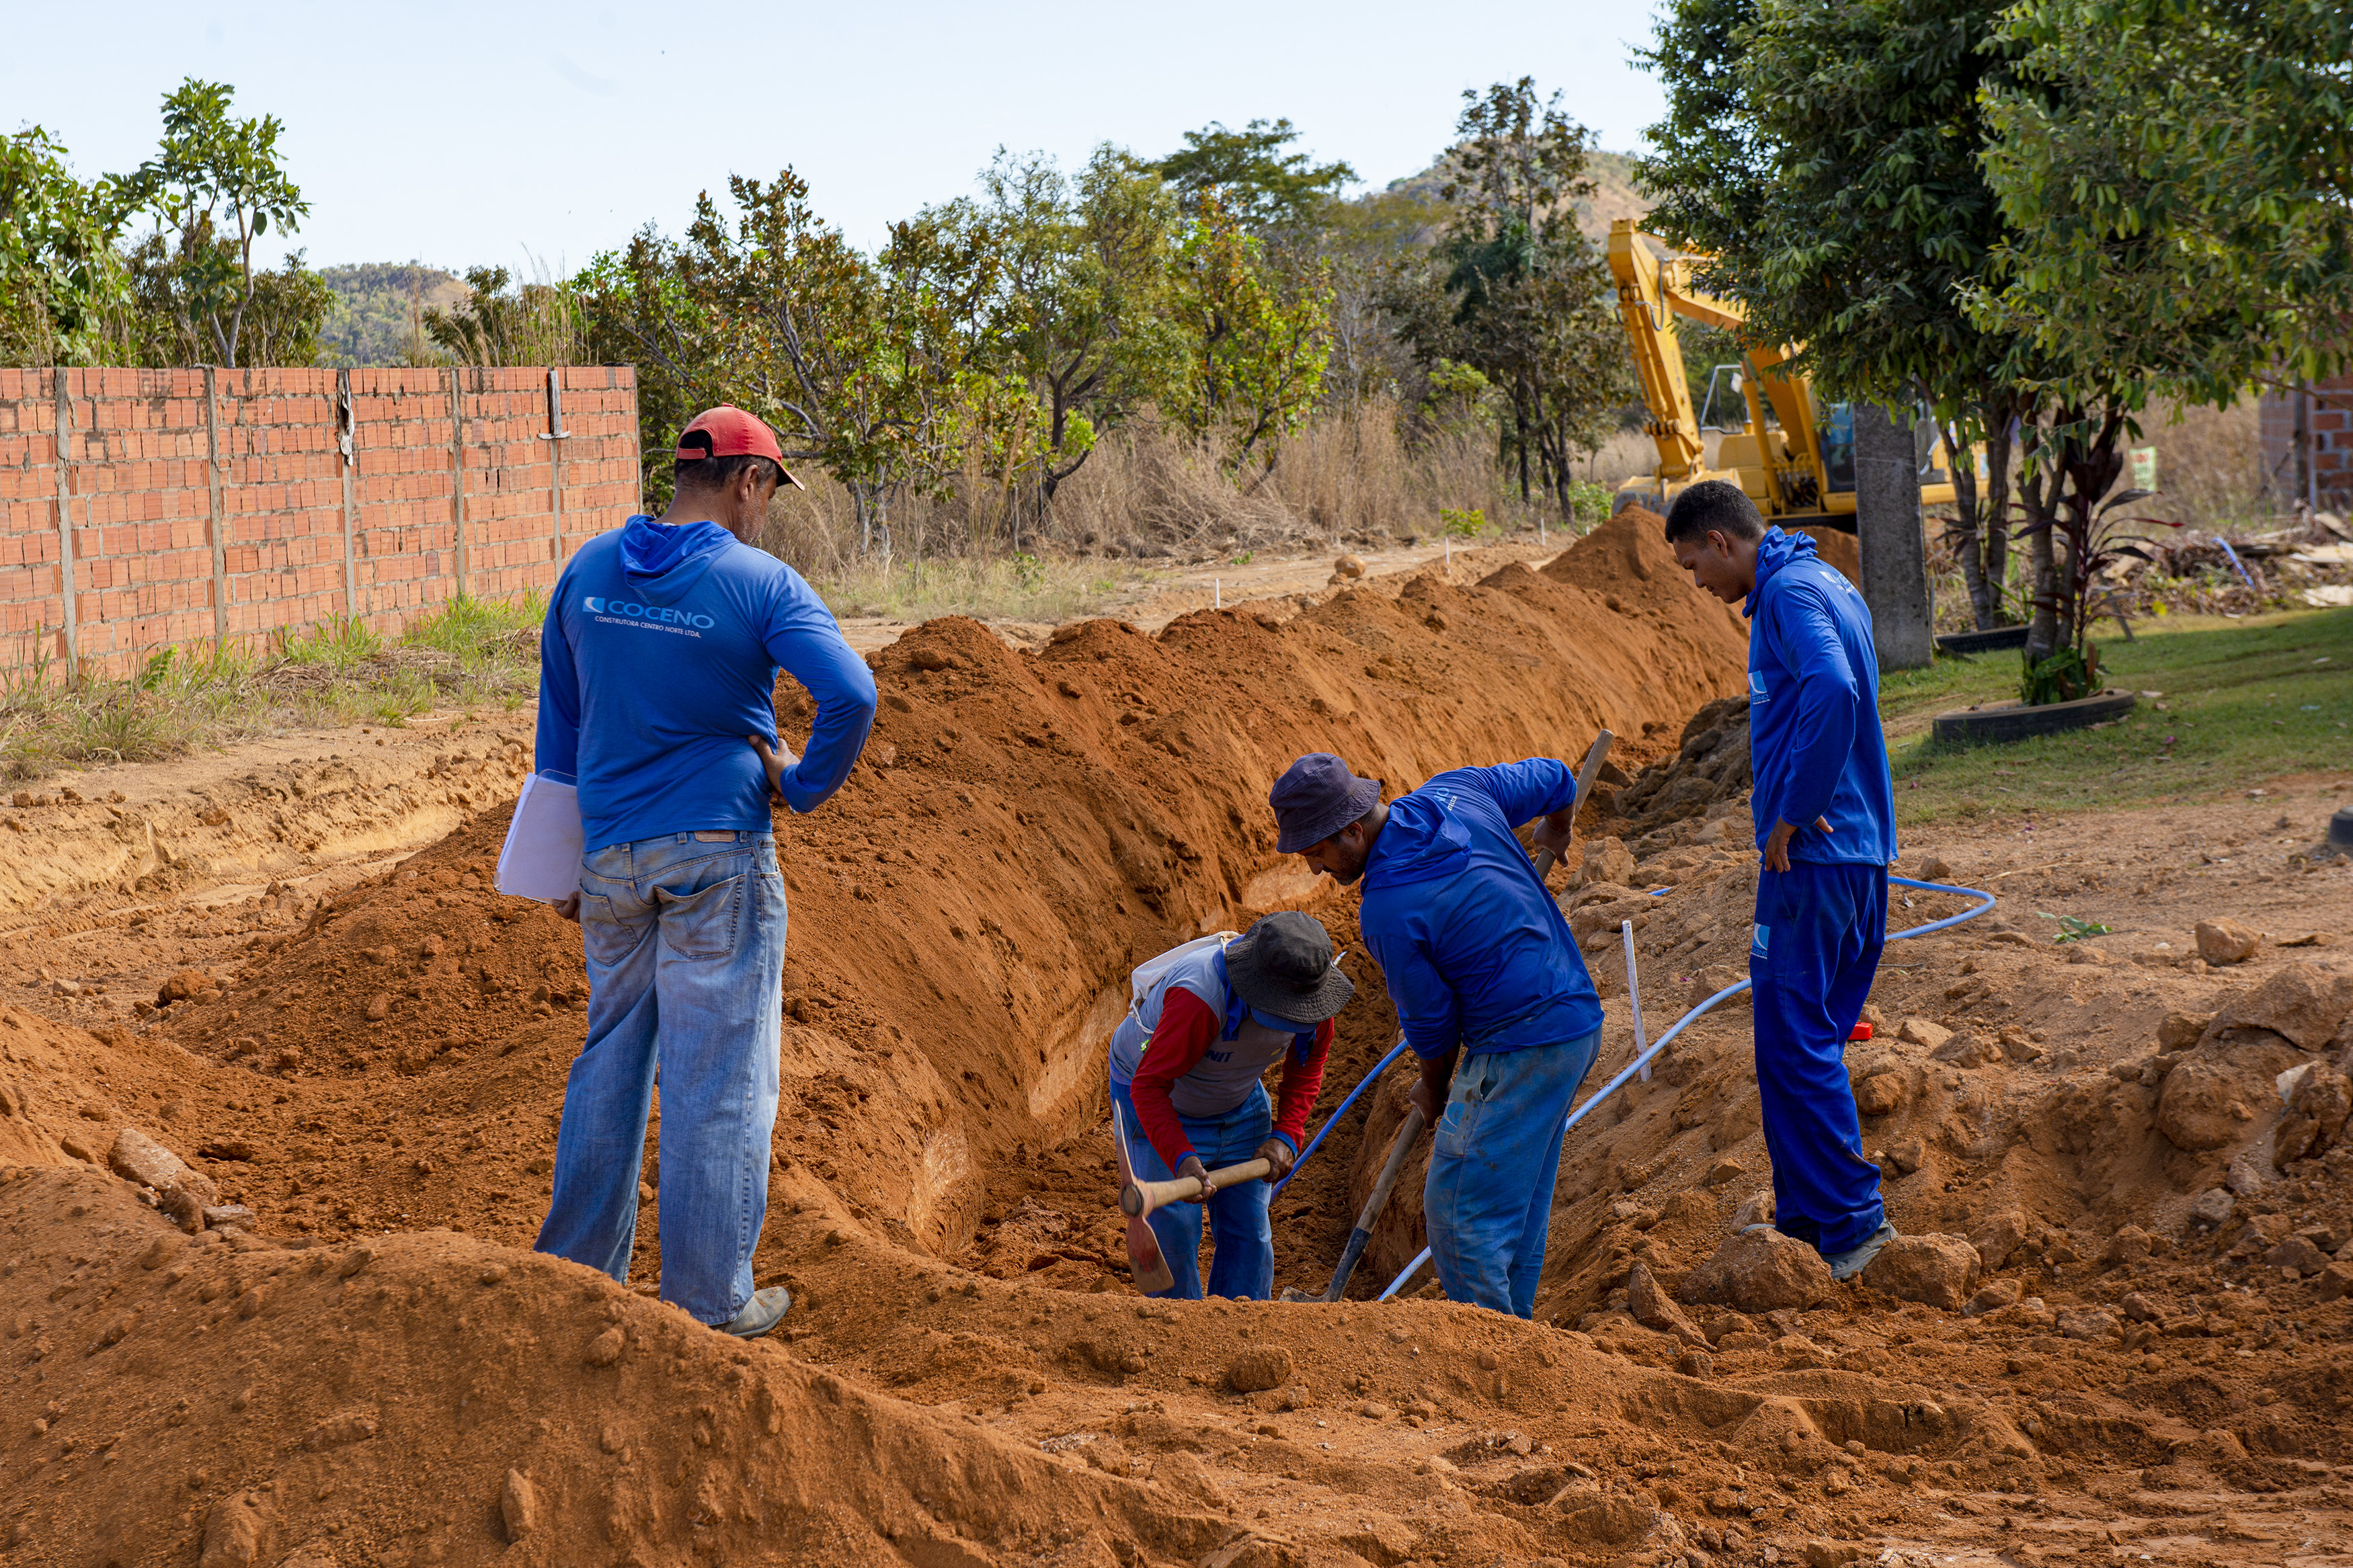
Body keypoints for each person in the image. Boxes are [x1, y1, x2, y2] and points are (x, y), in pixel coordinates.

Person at [531, 405, 877, 1337]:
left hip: (609, 860)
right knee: (717, 1079)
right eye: (769, 495)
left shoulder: (589, 570)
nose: (767, 514)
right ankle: (708, 1302)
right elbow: (852, 693)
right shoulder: (762, 584)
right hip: (718, 858)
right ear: (748, 483)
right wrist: (801, 786)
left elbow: (559, 731)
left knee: (611, 1061)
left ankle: (573, 1280)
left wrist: (563, 855)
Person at [1269, 753, 1601, 1319]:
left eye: (1318, 853)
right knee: (1514, 1210)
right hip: (1573, 1019)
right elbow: (1556, 777)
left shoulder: (1389, 910)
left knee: (1458, 1215)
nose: (1318, 869)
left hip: (1521, 1042)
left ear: (1352, 829)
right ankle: (1517, 1340)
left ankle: (1493, 1364)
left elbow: (1432, 1023)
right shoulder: (1458, 790)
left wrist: (1434, 1086)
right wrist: (1560, 825)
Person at [1663, 478, 1898, 1279]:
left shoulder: (1792, 594)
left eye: (1694, 563)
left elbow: (1834, 688)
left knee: (1792, 1046)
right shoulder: (1824, 578)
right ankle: (1809, 1226)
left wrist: (1795, 806)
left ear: (1721, 542)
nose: (1698, 582)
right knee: (1810, 1043)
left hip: (1814, 862)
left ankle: (1849, 1231)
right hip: (1860, 857)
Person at [1108, 911, 1351, 1300]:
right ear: (1254, 987)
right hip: (1157, 1096)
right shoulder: (1199, 998)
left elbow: (1307, 1069)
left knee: (1251, 1232)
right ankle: (1180, 1333)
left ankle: (1243, 1326)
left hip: (1237, 1098)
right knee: (1173, 1231)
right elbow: (1150, 1087)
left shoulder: (1313, 1003)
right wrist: (1182, 1158)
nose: (1292, 1022)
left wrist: (1287, 1134)